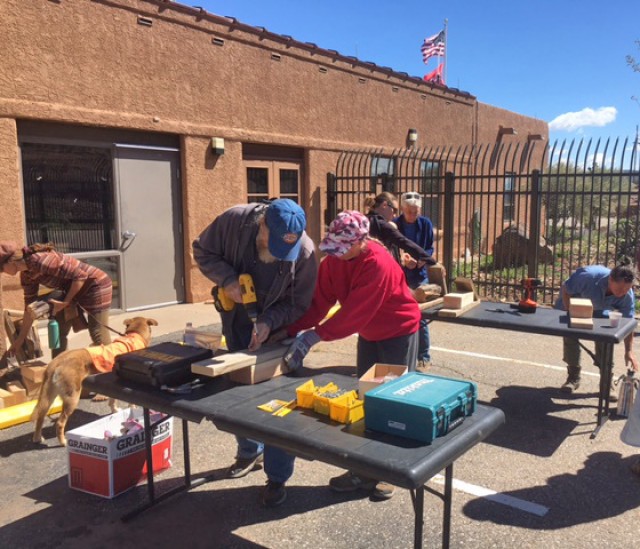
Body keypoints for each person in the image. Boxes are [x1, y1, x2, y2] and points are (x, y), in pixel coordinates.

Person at [277, 210, 420, 505]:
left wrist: (316, 336)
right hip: (370, 333)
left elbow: (354, 313)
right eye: (335, 248)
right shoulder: (334, 262)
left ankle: (389, 471)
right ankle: (362, 470)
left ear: (361, 241)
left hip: (397, 331)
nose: (337, 254)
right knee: (366, 398)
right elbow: (320, 302)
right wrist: (290, 330)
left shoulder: (378, 263)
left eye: (343, 248)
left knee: (392, 401)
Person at [192, 198, 317, 505]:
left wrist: (268, 322)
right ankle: (249, 452)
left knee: (279, 406)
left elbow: (299, 304)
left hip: (277, 330)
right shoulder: (233, 220)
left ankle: (277, 477)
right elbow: (201, 249)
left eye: (284, 249)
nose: (277, 254)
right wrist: (229, 280)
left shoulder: (304, 252)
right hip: (236, 320)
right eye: (272, 244)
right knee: (239, 393)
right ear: (261, 224)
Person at [0, 242, 113, 361]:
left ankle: (111, 368)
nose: (2, 272)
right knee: (59, 332)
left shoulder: (41, 260)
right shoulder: (27, 276)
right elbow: (29, 306)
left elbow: (80, 276)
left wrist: (66, 302)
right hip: (73, 291)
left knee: (97, 333)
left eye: (1, 269)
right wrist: (20, 340)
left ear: (10, 262)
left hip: (96, 285)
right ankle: (57, 369)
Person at [554, 264, 638, 393]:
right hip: (574, 302)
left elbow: (628, 323)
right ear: (610, 279)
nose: (622, 293)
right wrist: (571, 311)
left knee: (605, 339)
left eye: (626, 289)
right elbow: (566, 289)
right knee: (571, 336)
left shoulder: (627, 296)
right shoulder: (587, 277)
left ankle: (606, 382)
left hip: (600, 309)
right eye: (620, 288)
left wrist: (629, 351)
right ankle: (573, 377)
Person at [394, 191, 436, 369]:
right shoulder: (395, 224)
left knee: (420, 316)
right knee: (398, 315)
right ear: (402, 210)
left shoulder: (425, 223)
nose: (413, 215)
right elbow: (393, 247)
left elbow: (429, 248)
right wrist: (403, 259)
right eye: (409, 211)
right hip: (400, 274)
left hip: (419, 275)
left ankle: (423, 354)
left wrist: (419, 262)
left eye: (416, 211)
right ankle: (400, 354)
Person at [363, 191, 435, 268]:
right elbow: (403, 241)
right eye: (394, 210)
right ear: (384, 205)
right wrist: (430, 260)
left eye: (416, 212)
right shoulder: (383, 224)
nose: (394, 215)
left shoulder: (363, 220)